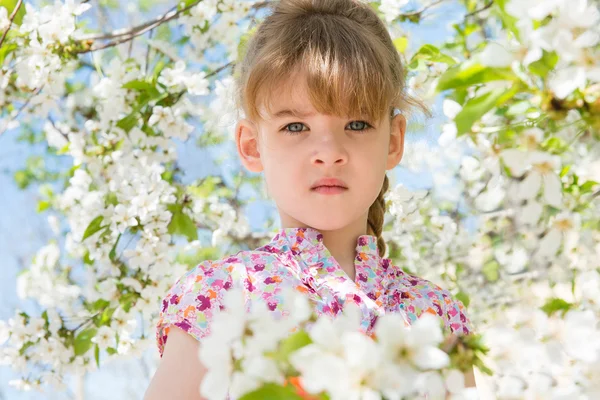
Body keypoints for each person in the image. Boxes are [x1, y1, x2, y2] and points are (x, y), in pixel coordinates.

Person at [145, 0, 476, 398]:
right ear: (252, 146)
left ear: (393, 141)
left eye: (357, 123)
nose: (329, 150)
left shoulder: (436, 316)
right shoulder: (220, 297)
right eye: (295, 126)